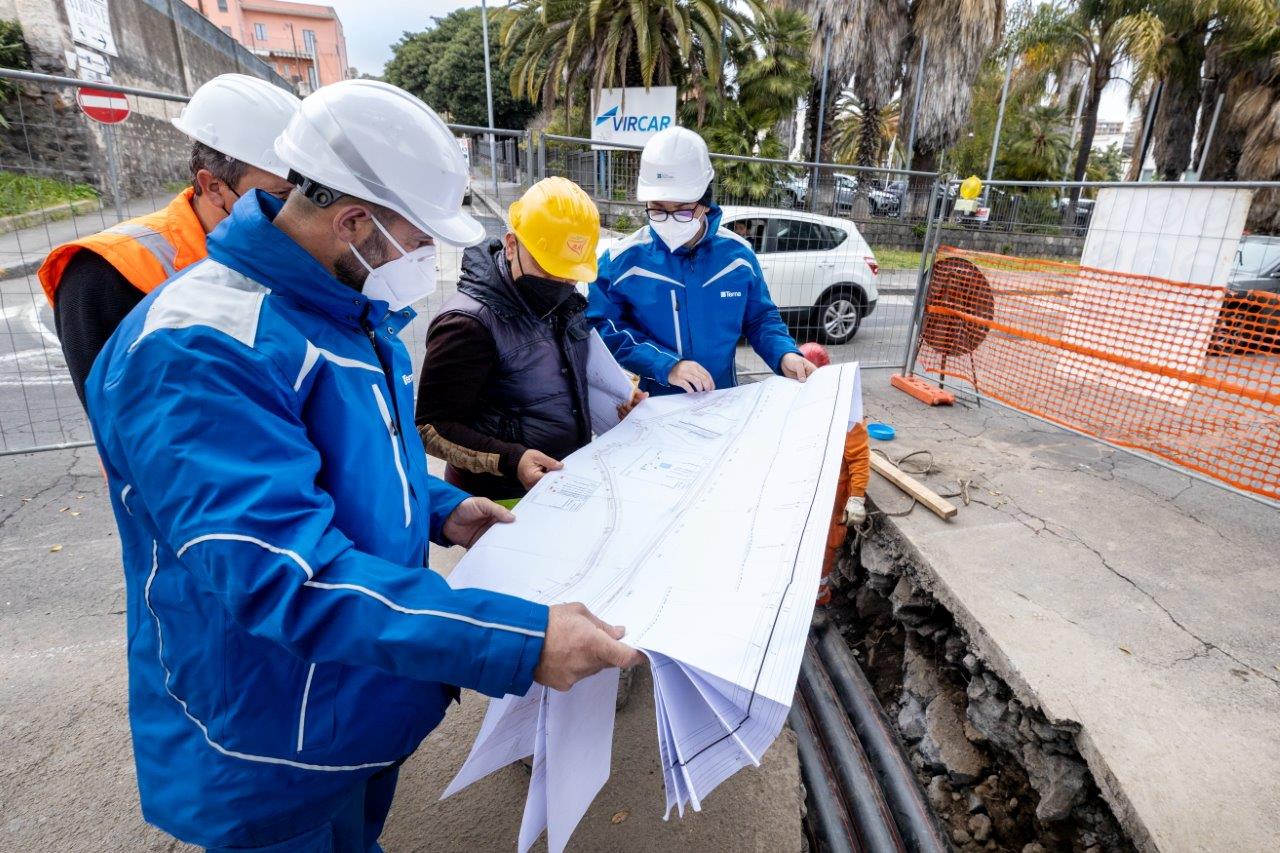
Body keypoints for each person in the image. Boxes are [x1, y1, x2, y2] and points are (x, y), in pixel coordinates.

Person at [84, 80, 640, 853]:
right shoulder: (199, 349)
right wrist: (521, 638)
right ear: (354, 223)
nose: (425, 259)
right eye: (419, 240)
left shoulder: (345, 309)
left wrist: (439, 509)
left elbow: (357, 451)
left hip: (358, 692)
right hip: (270, 734)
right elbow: (288, 573)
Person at [39, 73, 300, 408]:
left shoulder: (280, 247)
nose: (297, 215)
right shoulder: (104, 273)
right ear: (214, 186)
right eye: (281, 196)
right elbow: (117, 421)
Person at [416, 177, 644, 500]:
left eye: (570, 272)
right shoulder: (467, 324)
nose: (561, 281)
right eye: (549, 268)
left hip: (564, 486)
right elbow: (431, 427)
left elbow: (573, 377)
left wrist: (621, 397)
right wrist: (512, 460)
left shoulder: (565, 303)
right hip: (498, 498)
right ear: (512, 245)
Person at [588, 126, 816, 395]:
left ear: (705, 202)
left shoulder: (738, 257)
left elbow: (760, 319)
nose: (670, 220)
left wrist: (784, 355)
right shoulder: (621, 261)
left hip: (720, 399)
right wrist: (665, 364)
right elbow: (601, 326)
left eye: (683, 211)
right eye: (658, 210)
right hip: (652, 406)